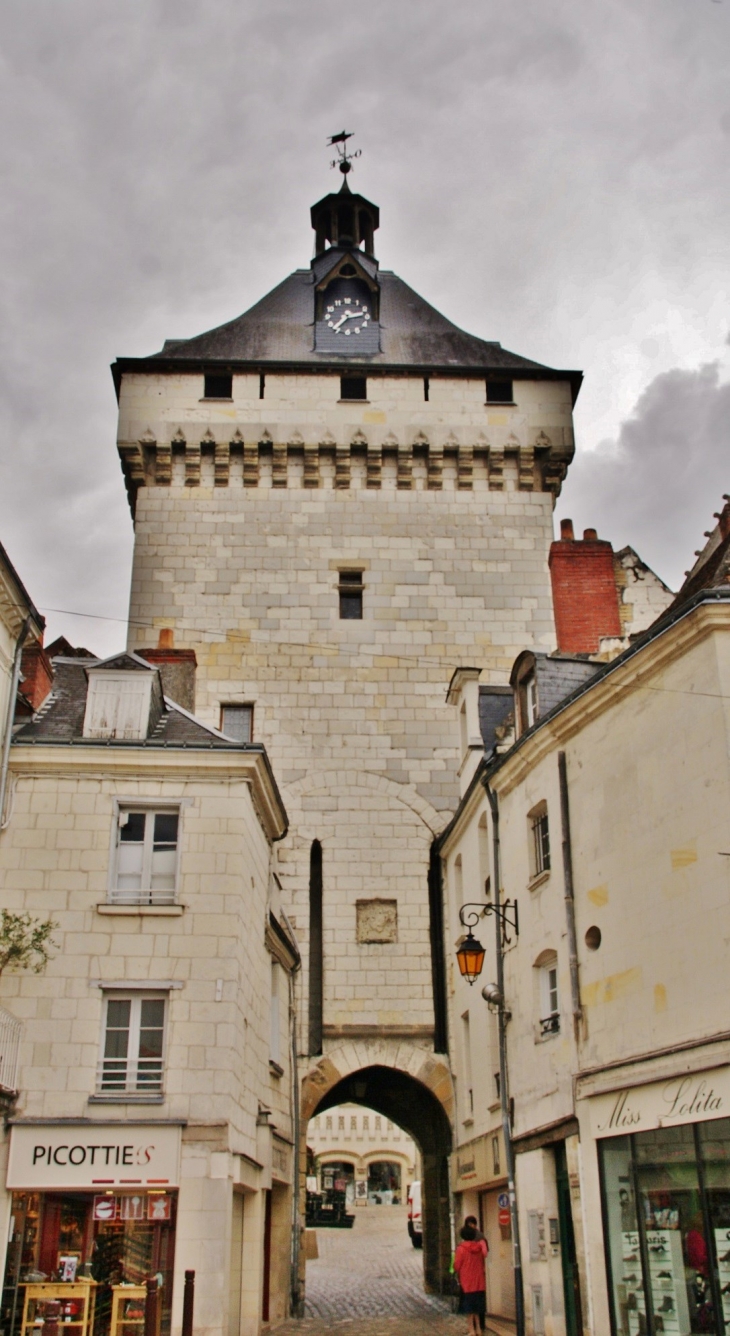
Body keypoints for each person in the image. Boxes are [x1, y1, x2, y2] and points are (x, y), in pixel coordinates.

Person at [454, 1222, 488, 1336]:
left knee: (469, 1309)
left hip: (467, 1282)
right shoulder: (479, 1248)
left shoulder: (461, 1249)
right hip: (479, 1281)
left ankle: (471, 1330)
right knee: (477, 1308)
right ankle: (478, 1328)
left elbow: (457, 1265)